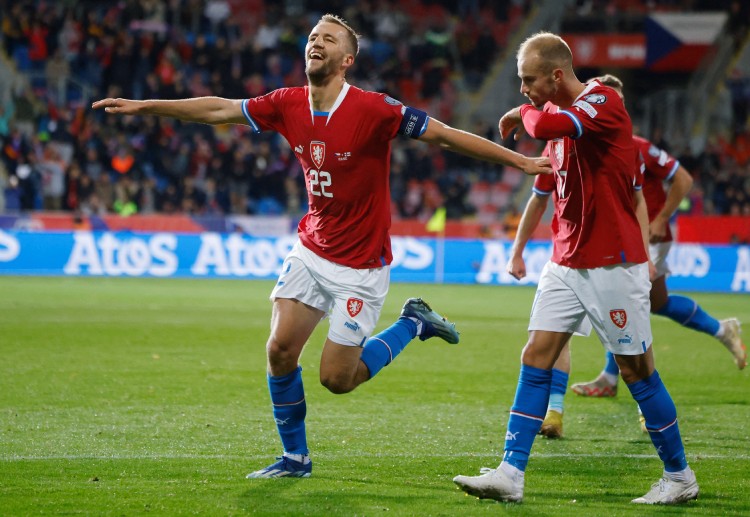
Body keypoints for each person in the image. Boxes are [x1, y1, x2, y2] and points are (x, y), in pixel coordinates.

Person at [92, 14, 550, 479]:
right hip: (312, 250)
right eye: (313, 37)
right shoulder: (286, 103)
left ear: (347, 60)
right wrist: (147, 105)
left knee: (337, 379)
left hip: (360, 266)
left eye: (328, 39)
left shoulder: (375, 110)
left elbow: (445, 137)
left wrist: (521, 162)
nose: (316, 42)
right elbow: (219, 110)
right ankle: (295, 459)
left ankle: (412, 323)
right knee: (279, 351)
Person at [453, 32, 699, 505]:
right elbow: (544, 174)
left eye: (528, 81)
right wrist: (523, 249)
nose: (523, 89)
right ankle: (510, 472)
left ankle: (680, 477)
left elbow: (547, 128)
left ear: (557, 75)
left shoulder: (603, 100)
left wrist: (522, 114)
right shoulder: (560, 124)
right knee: (535, 355)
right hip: (565, 262)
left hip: (612, 265)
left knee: (637, 371)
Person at [533, 75, 747, 439]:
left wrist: (662, 219)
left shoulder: (640, 147)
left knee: (633, 308)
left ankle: (641, 395)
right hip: (608, 242)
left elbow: (682, 180)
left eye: (611, 102)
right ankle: (714, 333)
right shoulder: (580, 143)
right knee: (644, 304)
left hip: (643, 238)